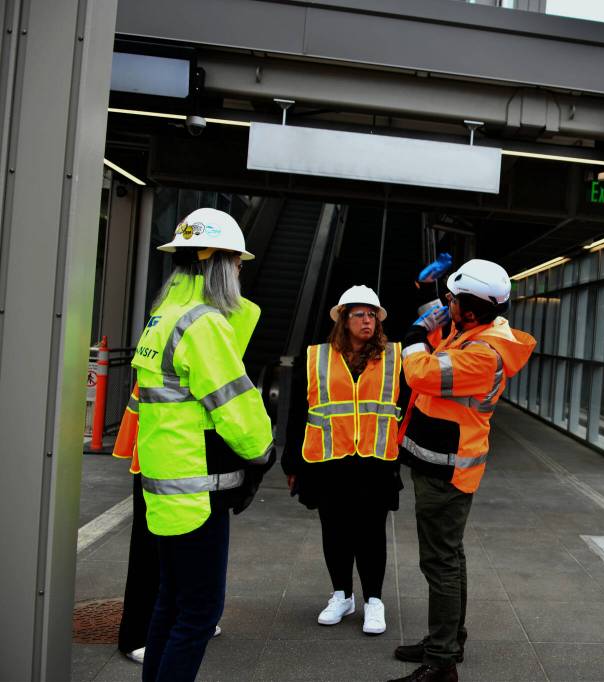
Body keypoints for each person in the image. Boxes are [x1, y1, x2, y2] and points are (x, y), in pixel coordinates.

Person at [132, 208, 274, 682]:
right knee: (198, 613)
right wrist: (263, 452)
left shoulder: (163, 316)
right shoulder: (204, 324)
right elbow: (237, 409)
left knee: (170, 604)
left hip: (165, 487)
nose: (239, 273)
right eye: (237, 264)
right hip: (198, 493)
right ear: (220, 263)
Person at [389, 259, 535, 682]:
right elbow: (442, 325)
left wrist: (413, 336)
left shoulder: (483, 356)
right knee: (450, 556)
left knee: (440, 562)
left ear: (471, 309)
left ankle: (441, 661)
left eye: (455, 300)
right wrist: (427, 290)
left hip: (446, 470)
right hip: (441, 461)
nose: (448, 304)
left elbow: (420, 373)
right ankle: (449, 638)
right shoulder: (473, 330)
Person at [280, 285, 403, 635]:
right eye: (360, 315)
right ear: (343, 320)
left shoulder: (394, 357)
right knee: (334, 531)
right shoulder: (316, 356)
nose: (368, 321)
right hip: (328, 460)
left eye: (373, 316)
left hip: (375, 461)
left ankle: (374, 601)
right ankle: (342, 595)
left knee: (370, 532)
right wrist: (291, 464)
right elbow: (298, 413)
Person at [111, 385, 224, 665]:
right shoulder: (183, 344)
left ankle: (173, 624)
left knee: (173, 557)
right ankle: (136, 635)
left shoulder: (168, 344)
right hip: (165, 461)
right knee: (150, 552)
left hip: (171, 459)